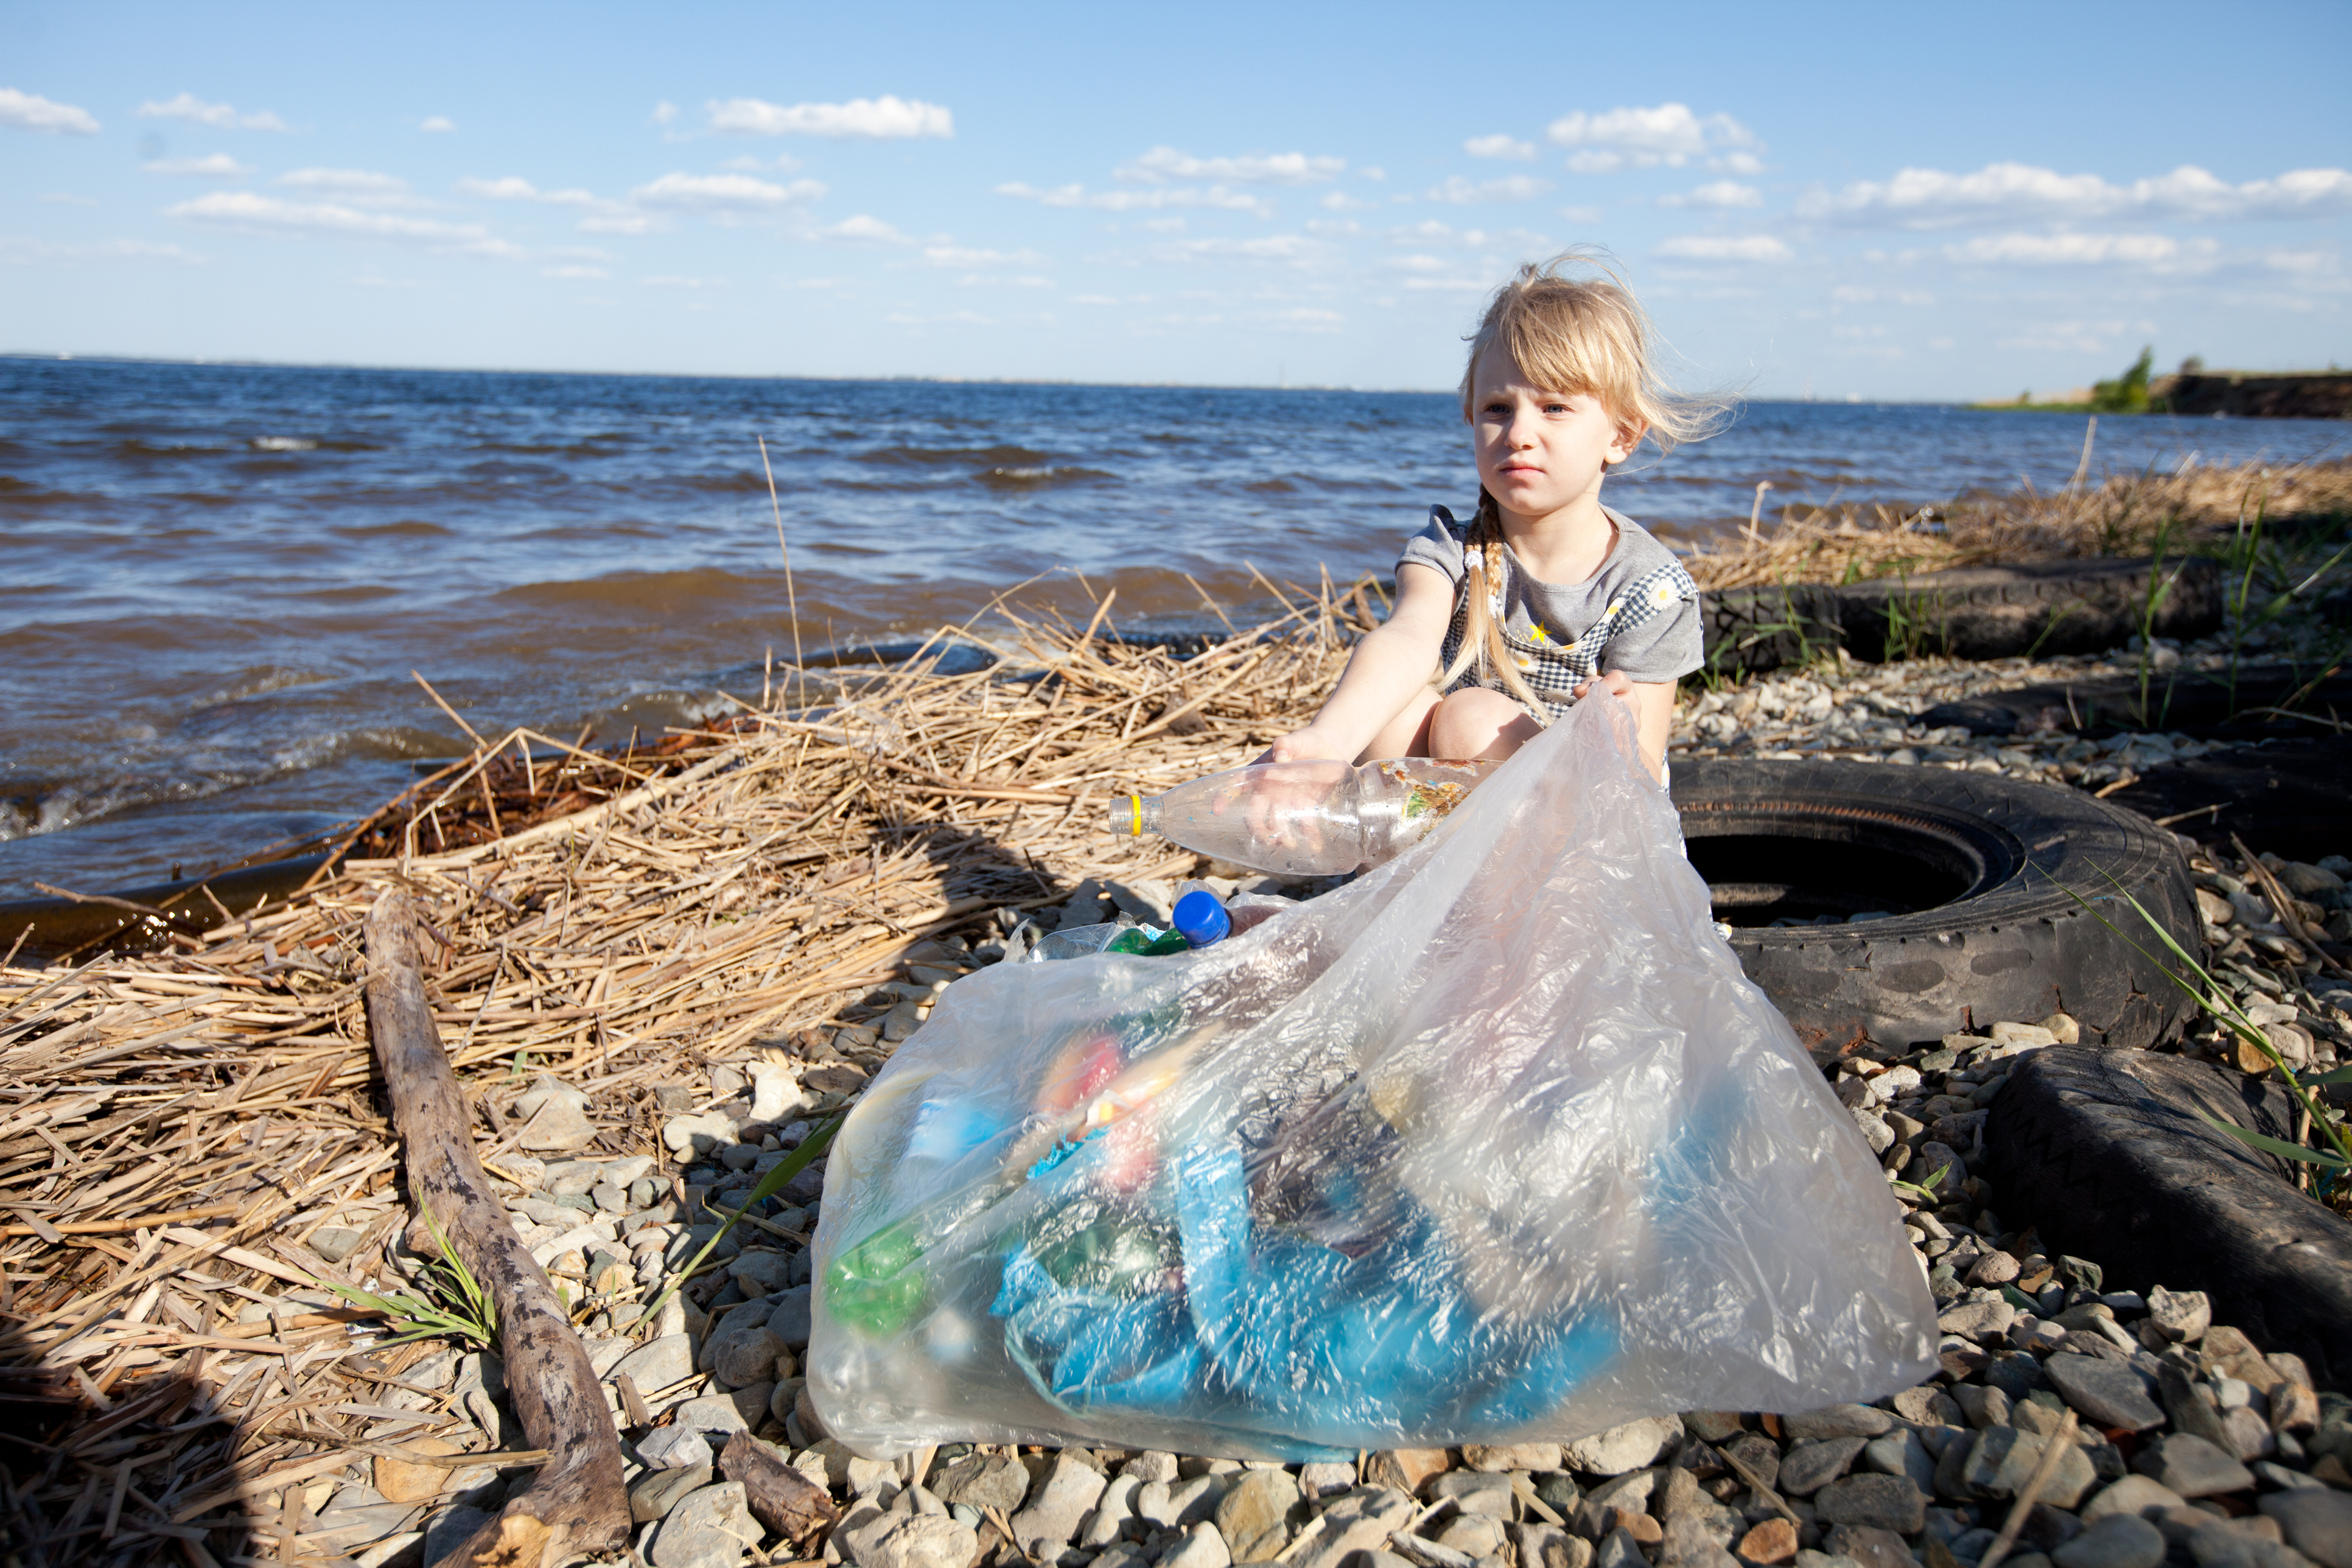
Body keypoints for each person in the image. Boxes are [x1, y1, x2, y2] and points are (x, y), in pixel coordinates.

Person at [1265, 253, 1724, 783]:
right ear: (1470, 415)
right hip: (1465, 802)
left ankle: (1488, 865)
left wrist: (1616, 731)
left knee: (1469, 719)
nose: (1519, 433)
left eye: (1554, 407)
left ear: (1621, 435)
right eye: (1498, 408)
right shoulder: (1452, 551)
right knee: (1394, 707)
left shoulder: (1649, 589)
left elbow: (1642, 778)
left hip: (1586, 820)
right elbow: (1408, 639)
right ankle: (1418, 855)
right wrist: (1327, 743)